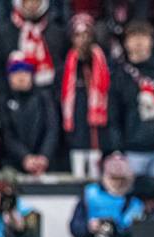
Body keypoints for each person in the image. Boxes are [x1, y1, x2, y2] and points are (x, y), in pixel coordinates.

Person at [108, 21, 154, 178]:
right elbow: (114, 117)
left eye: (143, 36)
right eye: (133, 37)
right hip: (131, 152)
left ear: (151, 41)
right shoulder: (119, 76)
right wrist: (117, 151)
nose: (138, 42)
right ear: (126, 43)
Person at [60, 13, 110, 180]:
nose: (82, 40)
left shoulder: (102, 63)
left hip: (96, 131)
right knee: (78, 175)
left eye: (86, 35)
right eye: (78, 36)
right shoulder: (67, 66)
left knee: (96, 175)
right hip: (75, 132)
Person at [0, 51, 59, 176]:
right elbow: (7, 134)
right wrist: (24, 157)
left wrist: (44, 156)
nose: (21, 77)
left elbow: (52, 128)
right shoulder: (4, 100)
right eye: (16, 72)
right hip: (13, 166)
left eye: (25, 72)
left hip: (46, 165)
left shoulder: (44, 97)